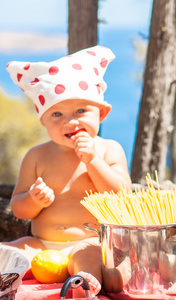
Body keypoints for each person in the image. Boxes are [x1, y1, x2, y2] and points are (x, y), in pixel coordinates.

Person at [2, 45, 132, 296]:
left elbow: (122, 197)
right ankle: (6, 278)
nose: (70, 121)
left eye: (81, 111)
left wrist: (94, 161)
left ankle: (83, 285)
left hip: (88, 243)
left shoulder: (108, 150)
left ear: (102, 113)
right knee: (10, 251)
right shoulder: (37, 156)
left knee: (90, 258)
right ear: (44, 120)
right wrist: (33, 199)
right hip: (41, 246)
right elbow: (18, 208)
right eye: (57, 114)